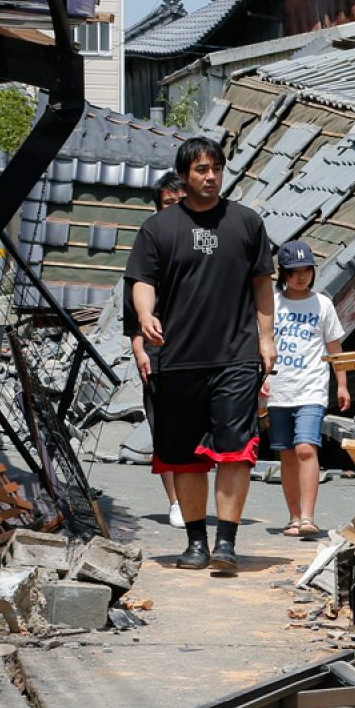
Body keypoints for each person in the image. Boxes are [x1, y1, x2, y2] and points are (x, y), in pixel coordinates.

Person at [124, 137, 276, 572]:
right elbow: (142, 279)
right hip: (178, 358)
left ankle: (225, 543)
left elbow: (262, 282)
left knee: (234, 450)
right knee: (184, 456)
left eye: (216, 169)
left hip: (236, 355)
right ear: (184, 175)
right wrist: (145, 314)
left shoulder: (247, 223)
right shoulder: (159, 228)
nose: (210, 177)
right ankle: (195, 542)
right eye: (201, 170)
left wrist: (266, 338)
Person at [262, 241, 349, 538]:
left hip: (311, 388)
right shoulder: (271, 304)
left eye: (306, 270)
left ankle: (309, 516)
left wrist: (343, 386)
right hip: (278, 389)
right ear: (282, 273)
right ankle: (294, 516)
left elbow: (335, 349)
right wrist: (258, 379)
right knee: (286, 454)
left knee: (305, 448)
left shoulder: (323, 304)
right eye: (294, 271)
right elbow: (259, 345)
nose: (301, 277)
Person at [124, 173, 186, 526]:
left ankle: (192, 495)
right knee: (164, 426)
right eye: (168, 203)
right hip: (157, 348)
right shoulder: (147, 241)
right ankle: (176, 501)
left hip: (195, 347)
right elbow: (131, 307)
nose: (174, 209)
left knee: (194, 427)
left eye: (180, 202)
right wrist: (139, 349)